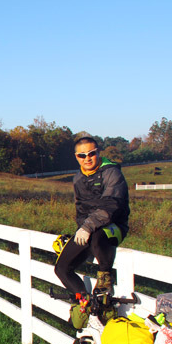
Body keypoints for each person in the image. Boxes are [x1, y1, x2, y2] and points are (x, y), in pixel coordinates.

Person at [54, 132, 130, 324]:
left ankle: (105, 283)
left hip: (113, 227)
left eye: (91, 153)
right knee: (62, 267)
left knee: (96, 237)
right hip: (88, 228)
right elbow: (81, 209)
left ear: (98, 152)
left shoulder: (112, 172)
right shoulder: (78, 178)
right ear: (76, 157)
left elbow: (111, 205)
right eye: (82, 155)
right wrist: (81, 231)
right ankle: (83, 301)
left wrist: (87, 228)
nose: (87, 158)